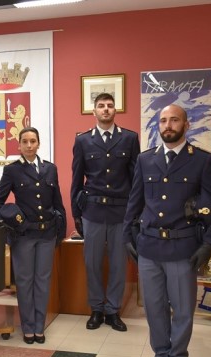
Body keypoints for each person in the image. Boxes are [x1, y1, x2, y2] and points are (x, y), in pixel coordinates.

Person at [123, 104, 211, 357]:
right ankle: (161, 356)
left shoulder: (202, 160)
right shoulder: (145, 160)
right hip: (149, 247)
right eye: (163, 120)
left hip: (183, 249)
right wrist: (127, 236)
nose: (168, 125)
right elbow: (135, 200)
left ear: (186, 125)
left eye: (174, 120)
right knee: (154, 308)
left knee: (182, 309)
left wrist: (209, 243)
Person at [71, 92, 140, 332]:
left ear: (115, 110)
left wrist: (136, 213)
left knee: (119, 265)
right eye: (101, 106)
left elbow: (136, 179)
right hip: (93, 212)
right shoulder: (83, 141)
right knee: (92, 263)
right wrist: (76, 214)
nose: (106, 109)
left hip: (121, 211)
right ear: (94, 111)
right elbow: (76, 180)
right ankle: (96, 309)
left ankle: (113, 311)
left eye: (110, 105)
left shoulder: (129, 138)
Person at [0, 127, 66, 344]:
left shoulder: (50, 169)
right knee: (25, 282)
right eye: (25, 141)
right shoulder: (12, 170)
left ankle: (39, 327)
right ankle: (28, 327)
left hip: (47, 234)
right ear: (19, 145)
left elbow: (58, 202)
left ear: (39, 144)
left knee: (43, 281)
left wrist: (60, 232)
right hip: (24, 235)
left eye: (33, 141)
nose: (29, 145)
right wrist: (14, 218)